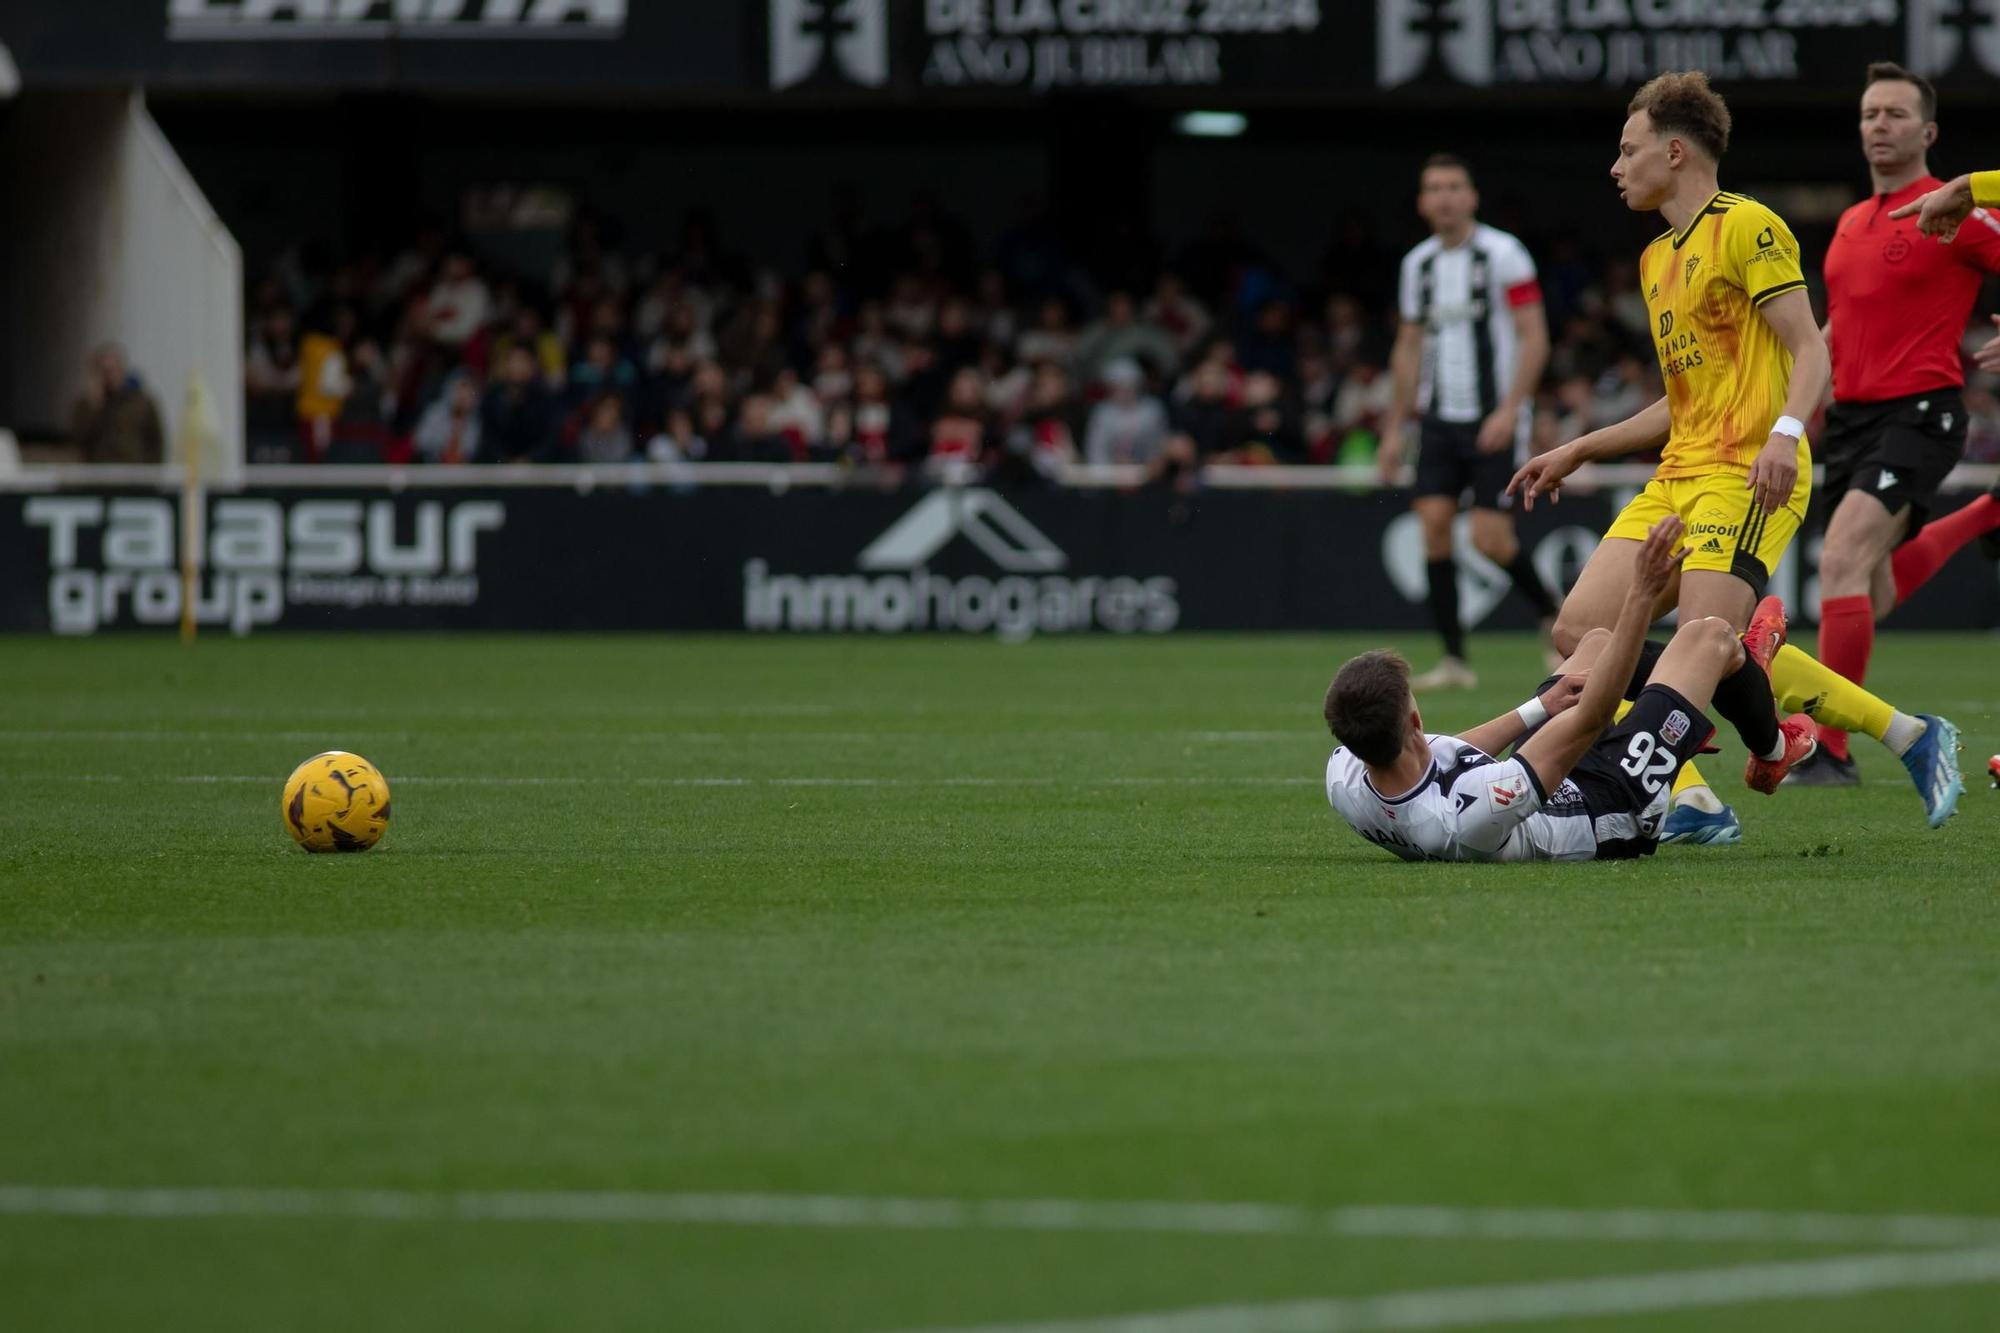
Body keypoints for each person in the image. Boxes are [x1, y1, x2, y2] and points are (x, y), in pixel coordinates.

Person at [1508, 71, 1964, 838]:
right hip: (1678, 472)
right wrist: (1581, 447)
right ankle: (1864, 740)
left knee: (1702, 640)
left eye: (1629, 150)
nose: (1616, 168)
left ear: (1676, 152)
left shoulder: (1750, 226)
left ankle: (1703, 792)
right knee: (1580, 632)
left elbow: (1807, 354)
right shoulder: (1657, 261)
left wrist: (1785, 435)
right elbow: (1683, 397)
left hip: (1751, 469)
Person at [1324, 517, 1800, 862]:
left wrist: (1538, 707)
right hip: (1612, 804)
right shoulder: (1471, 815)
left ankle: (1721, 679)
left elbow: (1446, 755)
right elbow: (1593, 717)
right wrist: (1641, 593)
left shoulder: (1346, 773)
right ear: (1413, 722)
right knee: (1708, 635)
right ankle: (1764, 730)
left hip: (1540, 782)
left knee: (1594, 642)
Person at [1796, 64, 2000, 784]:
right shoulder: (1852, 222)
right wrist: (1793, 410)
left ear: (1928, 131)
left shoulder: (1955, 210)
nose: (1879, 125)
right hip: (1851, 420)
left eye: (1895, 114)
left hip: (1920, 410)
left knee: (1839, 561)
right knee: (1868, 589)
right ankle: (1986, 514)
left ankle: (1832, 750)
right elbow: (1833, 330)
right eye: (1869, 114)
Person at [1377, 154, 1558, 692]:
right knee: (1432, 527)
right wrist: (1394, 426)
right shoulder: (1418, 265)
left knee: (1489, 539)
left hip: (1491, 416)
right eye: (1435, 188)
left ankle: (1551, 612)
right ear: (1422, 203)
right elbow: (1408, 347)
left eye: (1455, 186)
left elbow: (1535, 336)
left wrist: (1511, 409)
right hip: (1438, 419)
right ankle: (1455, 660)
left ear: (1472, 197)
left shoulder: (1504, 254)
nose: (1445, 197)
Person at [72, 343, 165, 464]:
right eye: (106, 371)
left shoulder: (141, 402)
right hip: (99, 475)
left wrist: (150, 470)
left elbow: (156, 440)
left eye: (115, 369)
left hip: (135, 474)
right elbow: (79, 440)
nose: (111, 376)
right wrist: (94, 406)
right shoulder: (88, 404)